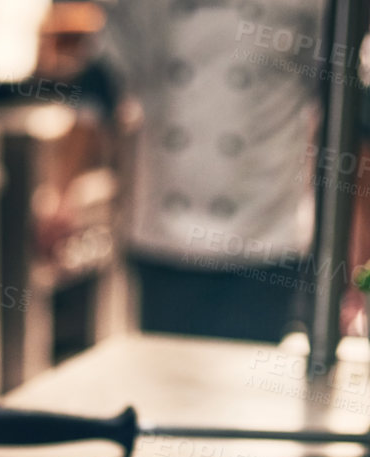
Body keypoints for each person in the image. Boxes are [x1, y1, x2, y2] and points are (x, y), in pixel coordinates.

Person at [89, 0, 326, 342]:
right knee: (165, 380)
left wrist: (358, 242)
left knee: (249, 383)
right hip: (163, 238)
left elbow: (352, 104)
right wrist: (67, 189)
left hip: (263, 235)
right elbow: (103, 87)